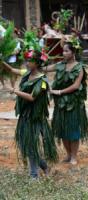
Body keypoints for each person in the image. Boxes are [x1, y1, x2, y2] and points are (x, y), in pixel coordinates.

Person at [1, 50, 58, 178]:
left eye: (29, 61)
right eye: (26, 60)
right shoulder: (27, 73)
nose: (26, 63)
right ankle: (44, 166)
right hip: (25, 116)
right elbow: (12, 70)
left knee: (31, 146)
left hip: (35, 118)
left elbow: (32, 97)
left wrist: (14, 90)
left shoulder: (42, 81)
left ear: (37, 63)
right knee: (24, 145)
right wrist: (2, 62)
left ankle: (34, 176)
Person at [44, 42, 88, 165]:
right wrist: (41, 58)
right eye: (63, 51)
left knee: (73, 129)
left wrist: (59, 92)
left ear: (73, 52)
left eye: (66, 51)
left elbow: (76, 86)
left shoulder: (79, 67)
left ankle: (74, 156)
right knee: (63, 128)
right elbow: (44, 69)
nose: (63, 53)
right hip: (61, 103)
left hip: (74, 103)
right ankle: (68, 154)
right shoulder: (60, 65)